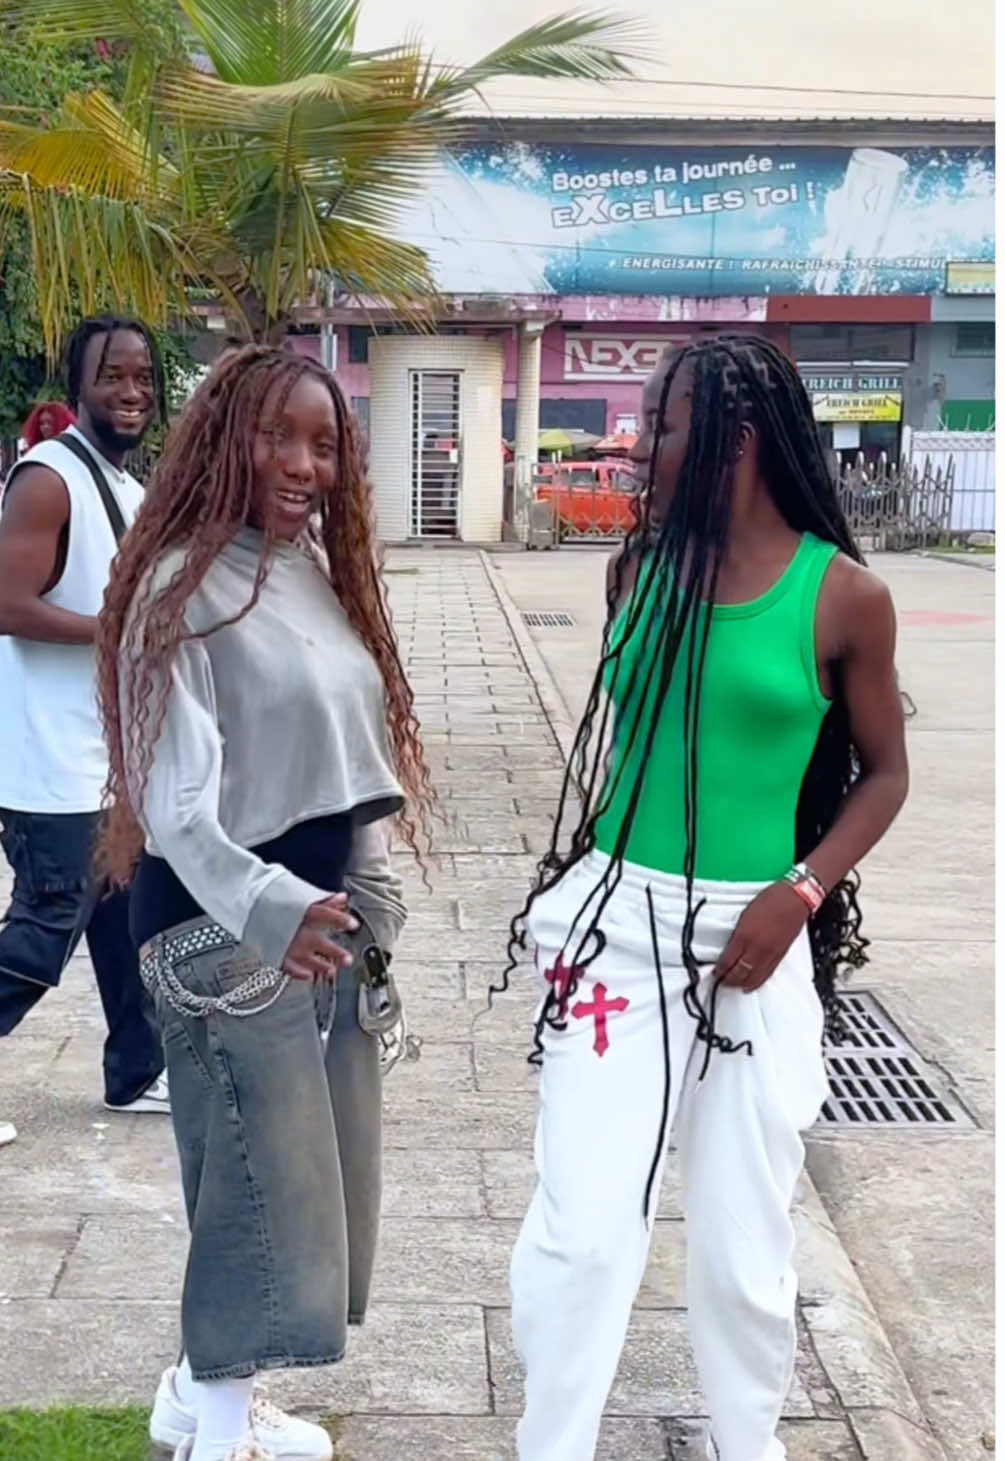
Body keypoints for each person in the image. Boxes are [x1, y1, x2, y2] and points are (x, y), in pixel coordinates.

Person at [502, 335, 910, 1461]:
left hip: (756, 939)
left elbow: (885, 774)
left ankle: (746, 1443)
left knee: (740, 1244)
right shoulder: (636, 569)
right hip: (613, 929)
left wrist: (803, 889)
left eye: (663, 425)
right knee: (585, 1229)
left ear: (735, 440)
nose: (640, 447)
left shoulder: (845, 597)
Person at [94, 344, 434, 1461]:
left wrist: (367, 894)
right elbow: (172, 805)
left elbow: (349, 751)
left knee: (296, 1182)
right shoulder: (175, 587)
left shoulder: (307, 570)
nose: (302, 464)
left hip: (314, 929)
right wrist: (271, 909)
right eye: (276, 436)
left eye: (323, 444)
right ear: (221, 438)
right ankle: (221, 1432)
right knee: (258, 1189)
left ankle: (195, 1396)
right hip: (217, 930)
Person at [0, 316, 171, 1149]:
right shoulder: (49, 479)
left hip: (102, 759)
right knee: (45, 928)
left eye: (143, 376)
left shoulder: (123, 486)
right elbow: (8, 604)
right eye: (112, 376)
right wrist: (120, 630)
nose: (131, 392)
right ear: (78, 388)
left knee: (125, 913)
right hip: (47, 762)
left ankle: (136, 1070)